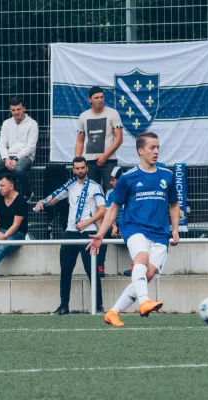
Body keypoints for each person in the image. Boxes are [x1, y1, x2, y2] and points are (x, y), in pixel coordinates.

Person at [87, 132, 180, 327]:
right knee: (142, 259)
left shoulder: (167, 175)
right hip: (134, 228)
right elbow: (113, 209)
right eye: (151, 148)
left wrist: (175, 229)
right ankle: (145, 301)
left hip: (160, 234)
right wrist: (101, 234)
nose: (156, 151)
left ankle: (113, 312)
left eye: (157, 147)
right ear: (140, 150)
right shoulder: (128, 178)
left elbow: (173, 205)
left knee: (147, 276)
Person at [34, 156, 106, 315]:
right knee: (65, 270)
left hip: (88, 233)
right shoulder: (70, 186)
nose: (80, 171)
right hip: (70, 233)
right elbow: (55, 198)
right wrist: (43, 202)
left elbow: (102, 210)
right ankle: (63, 306)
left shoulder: (95, 187)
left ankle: (98, 306)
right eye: (77, 168)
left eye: (82, 168)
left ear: (87, 169)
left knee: (92, 270)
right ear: (73, 170)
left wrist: (87, 222)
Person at [0, 97, 38, 200]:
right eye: (13, 110)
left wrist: (16, 159)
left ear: (24, 108)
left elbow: (31, 146)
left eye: (18, 109)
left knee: (17, 169)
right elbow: (2, 144)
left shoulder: (32, 124)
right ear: (10, 110)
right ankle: (5, 191)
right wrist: (6, 158)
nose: (16, 112)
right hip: (9, 156)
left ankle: (27, 193)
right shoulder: (6, 123)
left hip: (26, 156)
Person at [75, 86, 123, 193]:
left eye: (102, 97)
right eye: (96, 98)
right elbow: (80, 141)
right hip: (89, 162)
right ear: (90, 99)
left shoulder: (112, 113)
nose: (100, 100)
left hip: (109, 161)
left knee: (111, 193)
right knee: (91, 195)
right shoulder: (83, 116)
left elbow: (119, 138)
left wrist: (105, 155)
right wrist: (77, 161)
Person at [96, 166, 126, 278]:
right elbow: (109, 212)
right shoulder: (110, 193)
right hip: (115, 224)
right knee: (102, 233)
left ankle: (136, 266)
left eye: (113, 180)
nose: (110, 182)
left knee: (137, 231)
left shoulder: (132, 191)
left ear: (121, 180)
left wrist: (124, 227)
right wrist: (113, 226)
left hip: (128, 224)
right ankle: (100, 267)